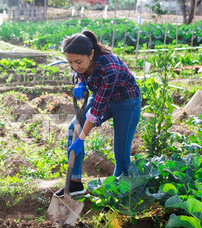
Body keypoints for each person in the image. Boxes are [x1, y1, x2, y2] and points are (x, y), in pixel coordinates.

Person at [54, 30, 141, 197]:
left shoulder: (109, 67)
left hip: (126, 101)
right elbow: (79, 72)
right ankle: (75, 184)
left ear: (91, 53)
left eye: (78, 61)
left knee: (121, 153)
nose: (75, 66)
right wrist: (80, 83)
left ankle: (118, 196)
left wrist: (82, 138)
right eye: (70, 62)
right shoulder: (79, 62)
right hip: (102, 96)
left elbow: (96, 111)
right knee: (74, 129)